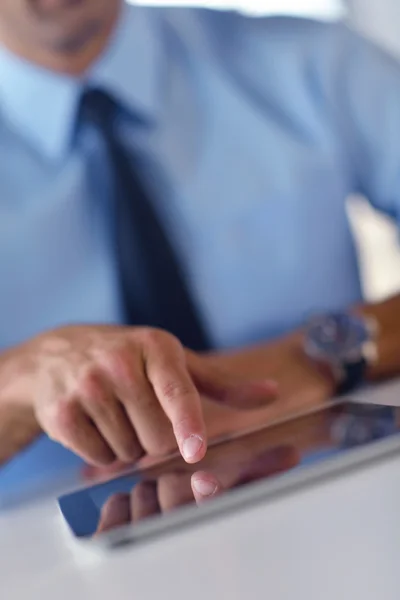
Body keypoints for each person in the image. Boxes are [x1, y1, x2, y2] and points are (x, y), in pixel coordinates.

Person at [1, 0, 400, 488]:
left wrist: (322, 357)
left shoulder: (312, 64)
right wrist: (15, 386)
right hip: (50, 549)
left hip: (345, 498)